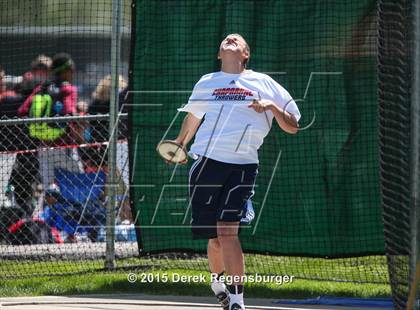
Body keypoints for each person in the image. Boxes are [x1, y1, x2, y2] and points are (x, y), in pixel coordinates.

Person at [172, 34, 301, 310]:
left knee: (228, 233)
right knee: (215, 240)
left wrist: (271, 106)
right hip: (206, 162)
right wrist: (179, 145)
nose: (230, 38)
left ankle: (237, 301)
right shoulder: (207, 82)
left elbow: (293, 125)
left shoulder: (264, 83)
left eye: (237, 40)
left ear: (246, 54)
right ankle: (216, 281)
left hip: (243, 166)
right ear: (220, 55)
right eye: (225, 39)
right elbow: (193, 117)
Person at [18, 53, 83, 189]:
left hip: (43, 146)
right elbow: (70, 113)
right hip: (64, 146)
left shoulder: (42, 88)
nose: (73, 72)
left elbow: (22, 111)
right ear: (65, 71)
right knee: (77, 184)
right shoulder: (68, 89)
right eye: (71, 69)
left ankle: (47, 209)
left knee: (49, 189)